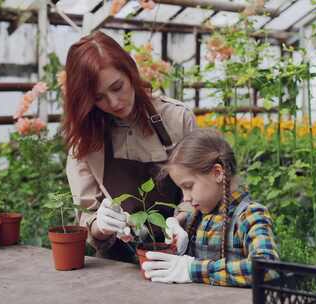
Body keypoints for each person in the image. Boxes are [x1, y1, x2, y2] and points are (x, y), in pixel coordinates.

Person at [63, 31, 196, 263]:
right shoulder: (85, 139)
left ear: (130, 72)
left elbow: (202, 190)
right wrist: (100, 226)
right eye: (98, 98)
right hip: (118, 263)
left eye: (117, 87)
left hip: (179, 257)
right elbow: (85, 214)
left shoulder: (176, 119)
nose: (114, 103)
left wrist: (182, 219)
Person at [142, 128, 279, 286]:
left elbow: (266, 268)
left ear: (217, 173)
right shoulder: (197, 214)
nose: (185, 197)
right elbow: (184, 211)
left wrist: (192, 269)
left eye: (188, 186)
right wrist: (175, 224)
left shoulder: (249, 215)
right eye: (181, 189)